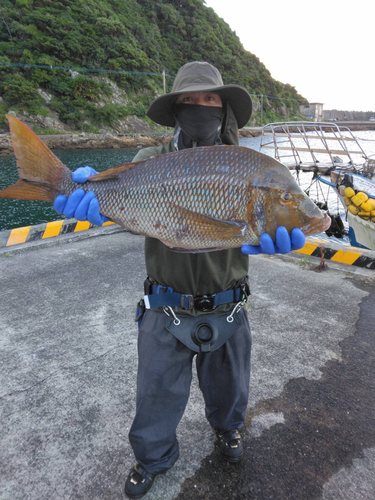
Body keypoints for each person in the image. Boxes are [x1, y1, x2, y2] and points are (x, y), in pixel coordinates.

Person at [53, 61, 305, 498]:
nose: (200, 107)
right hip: (163, 304)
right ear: (176, 110)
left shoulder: (252, 168)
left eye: (210, 99)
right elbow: (125, 201)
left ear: (224, 110)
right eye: (189, 100)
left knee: (231, 390)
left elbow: (278, 209)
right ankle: (153, 458)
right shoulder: (150, 161)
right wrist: (89, 197)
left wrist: (279, 234)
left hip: (230, 303)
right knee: (154, 395)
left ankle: (228, 430)